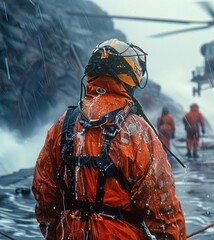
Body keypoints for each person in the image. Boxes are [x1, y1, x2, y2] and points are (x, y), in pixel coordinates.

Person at [32, 39, 186, 239]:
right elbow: (162, 206)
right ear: (129, 77)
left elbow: (44, 192)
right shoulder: (137, 130)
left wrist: (55, 232)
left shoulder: (63, 125)